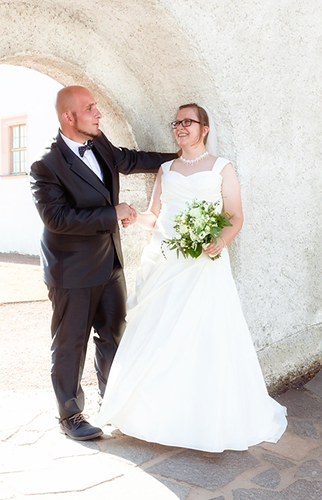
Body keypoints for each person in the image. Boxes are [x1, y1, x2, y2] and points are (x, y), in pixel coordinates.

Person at [94, 103, 287, 452]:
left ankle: (199, 417)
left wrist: (219, 242)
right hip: (165, 263)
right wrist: (133, 217)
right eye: (176, 123)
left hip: (203, 264)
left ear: (205, 128)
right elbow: (156, 217)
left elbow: (234, 216)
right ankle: (150, 415)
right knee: (159, 333)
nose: (180, 127)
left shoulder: (222, 168)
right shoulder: (166, 169)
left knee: (203, 335)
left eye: (188, 122)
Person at [29, 86, 177, 441]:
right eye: (90, 108)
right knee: (71, 342)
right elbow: (58, 219)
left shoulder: (100, 142)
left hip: (109, 262)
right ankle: (70, 415)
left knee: (113, 334)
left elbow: (128, 160)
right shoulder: (45, 166)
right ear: (69, 116)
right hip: (71, 269)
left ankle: (112, 402)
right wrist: (112, 213)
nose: (99, 113)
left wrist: (179, 158)